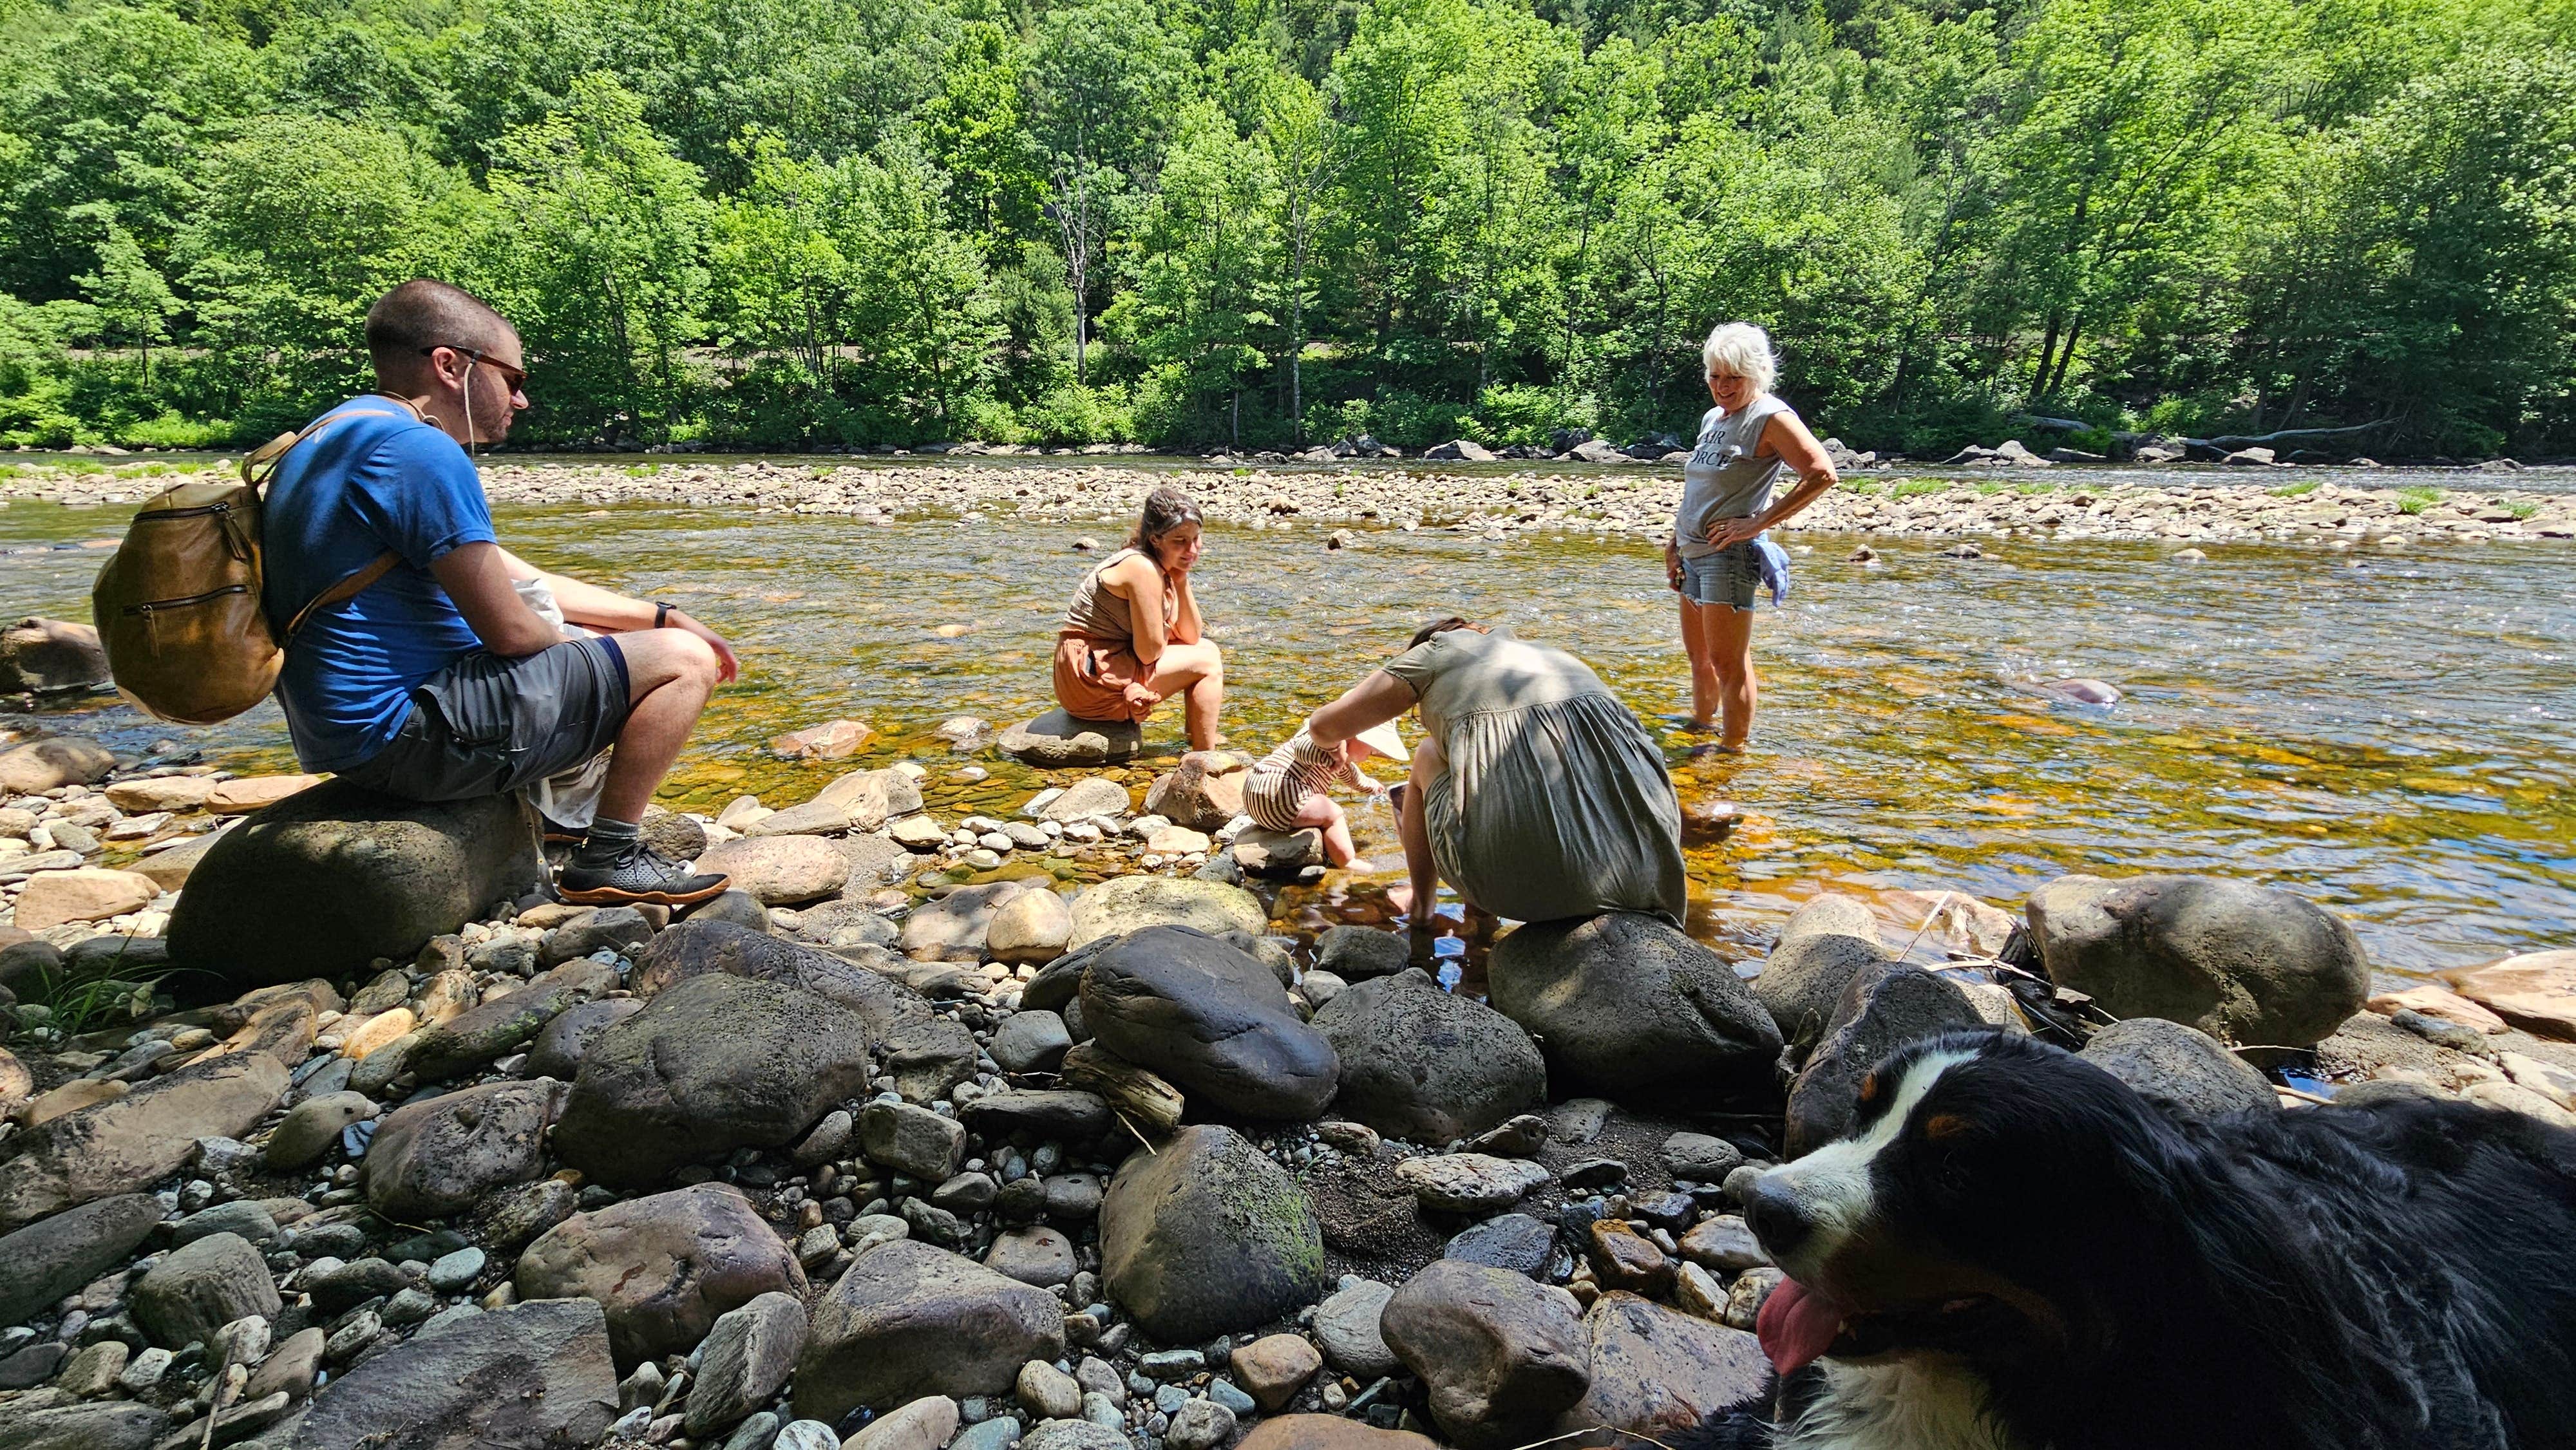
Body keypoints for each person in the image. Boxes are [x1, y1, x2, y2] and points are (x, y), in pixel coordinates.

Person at [260, 278, 740, 907]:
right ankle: (611, 855)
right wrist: (600, 643)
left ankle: (561, 823)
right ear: (451, 364)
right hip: (405, 735)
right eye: (511, 377)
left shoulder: (339, 429)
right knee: (683, 663)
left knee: (626, 646)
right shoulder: (418, 450)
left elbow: (510, 574)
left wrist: (656, 614)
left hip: (341, 733)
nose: (522, 397)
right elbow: (512, 630)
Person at [1305, 617, 1687, 929]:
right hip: (1651, 875)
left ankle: (1423, 907)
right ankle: (1479, 919)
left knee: (1428, 756)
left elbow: (1323, 726)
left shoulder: (1437, 653)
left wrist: (1333, 744)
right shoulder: (1552, 657)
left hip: (1522, 892)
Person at [1664, 321, 1840, 750]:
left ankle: (1732, 753)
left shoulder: (1770, 417)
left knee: (1729, 663)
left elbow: (1821, 474)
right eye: (1715, 376)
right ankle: (1701, 729)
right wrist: (1673, 545)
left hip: (1729, 556)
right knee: (1700, 659)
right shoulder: (1713, 417)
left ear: (1757, 375)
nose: (1722, 386)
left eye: (1734, 377)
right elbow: (1700, 488)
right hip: (1692, 552)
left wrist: (1757, 523)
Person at [1054, 487, 1226, 750]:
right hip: (1088, 679)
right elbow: (1149, 653)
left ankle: (1196, 738)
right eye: (1180, 541)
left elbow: (1191, 637)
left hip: (1096, 666)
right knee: (1208, 660)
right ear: (1156, 539)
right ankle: (1205, 756)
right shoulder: (1141, 568)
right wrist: (1165, 629)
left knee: (1203, 649)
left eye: (1196, 539)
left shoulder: (1158, 566)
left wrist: (1180, 579)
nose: (1192, 549)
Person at [1243, 717, 1406, 870]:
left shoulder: (1339, 758)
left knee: (1319, 805)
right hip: (1280, 793)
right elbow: (1303, 750)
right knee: (1333, 813)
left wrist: (1372, 786)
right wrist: (1332, 749)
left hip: (1252, 796)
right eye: (1371, 750)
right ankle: (1348, 861)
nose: (1371, 754)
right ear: (1356, 736)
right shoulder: (1322, 741)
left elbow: (1354, 778)